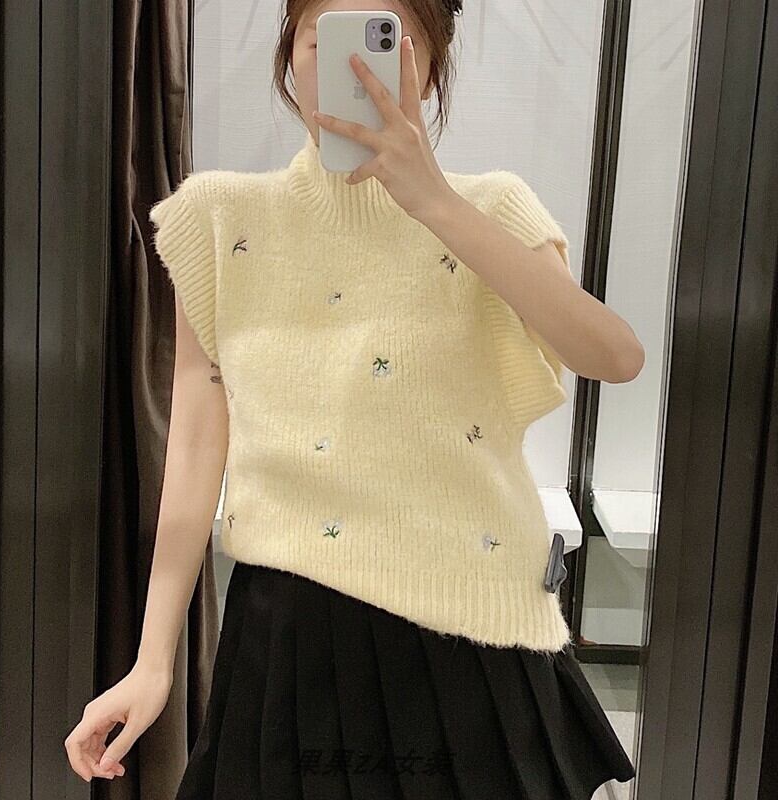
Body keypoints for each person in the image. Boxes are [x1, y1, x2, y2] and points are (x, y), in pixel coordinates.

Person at [66, 0, 644, 797]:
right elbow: (197, 443)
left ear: (430, 68)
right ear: (290, 59)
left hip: (474, 631)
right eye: (322, 40)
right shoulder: (220, 218)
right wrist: (152, 660)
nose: (352, 68)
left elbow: (613, 356)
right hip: (289, 633)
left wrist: (434, 203)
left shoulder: (493, 207)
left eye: (387, 41)